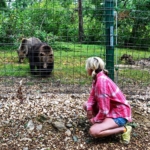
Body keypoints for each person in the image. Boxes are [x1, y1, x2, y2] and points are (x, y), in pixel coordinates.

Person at [83, 57, 132, 144]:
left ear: (90, 69)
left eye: (86, 68)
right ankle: (104, 124)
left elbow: (104, 110)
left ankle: (124, 129)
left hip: (119, 114)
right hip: (112, 109)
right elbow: (92, 96)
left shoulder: (101, 82)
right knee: (86, 105)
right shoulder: (98, 77)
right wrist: (89, 109)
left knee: (94, 131)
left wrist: (94, 120)